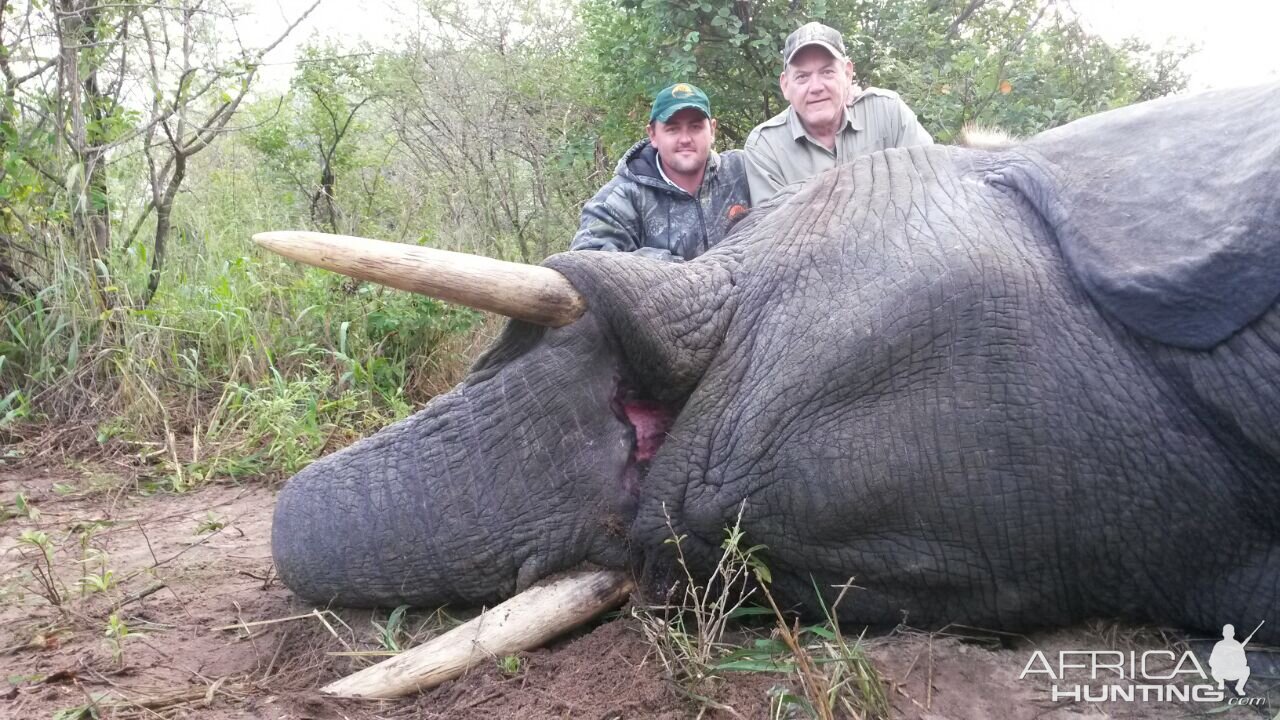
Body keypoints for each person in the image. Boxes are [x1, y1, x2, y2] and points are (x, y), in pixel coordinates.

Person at [744, 22, 934, 203]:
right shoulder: (765, 147)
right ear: (785, 85)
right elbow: (775, 231)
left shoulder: (887, 112)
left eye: (827, 72)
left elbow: (932, 184)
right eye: (802, 77)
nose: (816, 87)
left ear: (847, 74)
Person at [571, 83, 750, 262]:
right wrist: (681, 270)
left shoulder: (743, 170)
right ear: (653, 135)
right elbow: (586, 259)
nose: (685, 139)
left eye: (695, 127)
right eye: (672, 129)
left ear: (712, 130)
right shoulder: (621, 197)